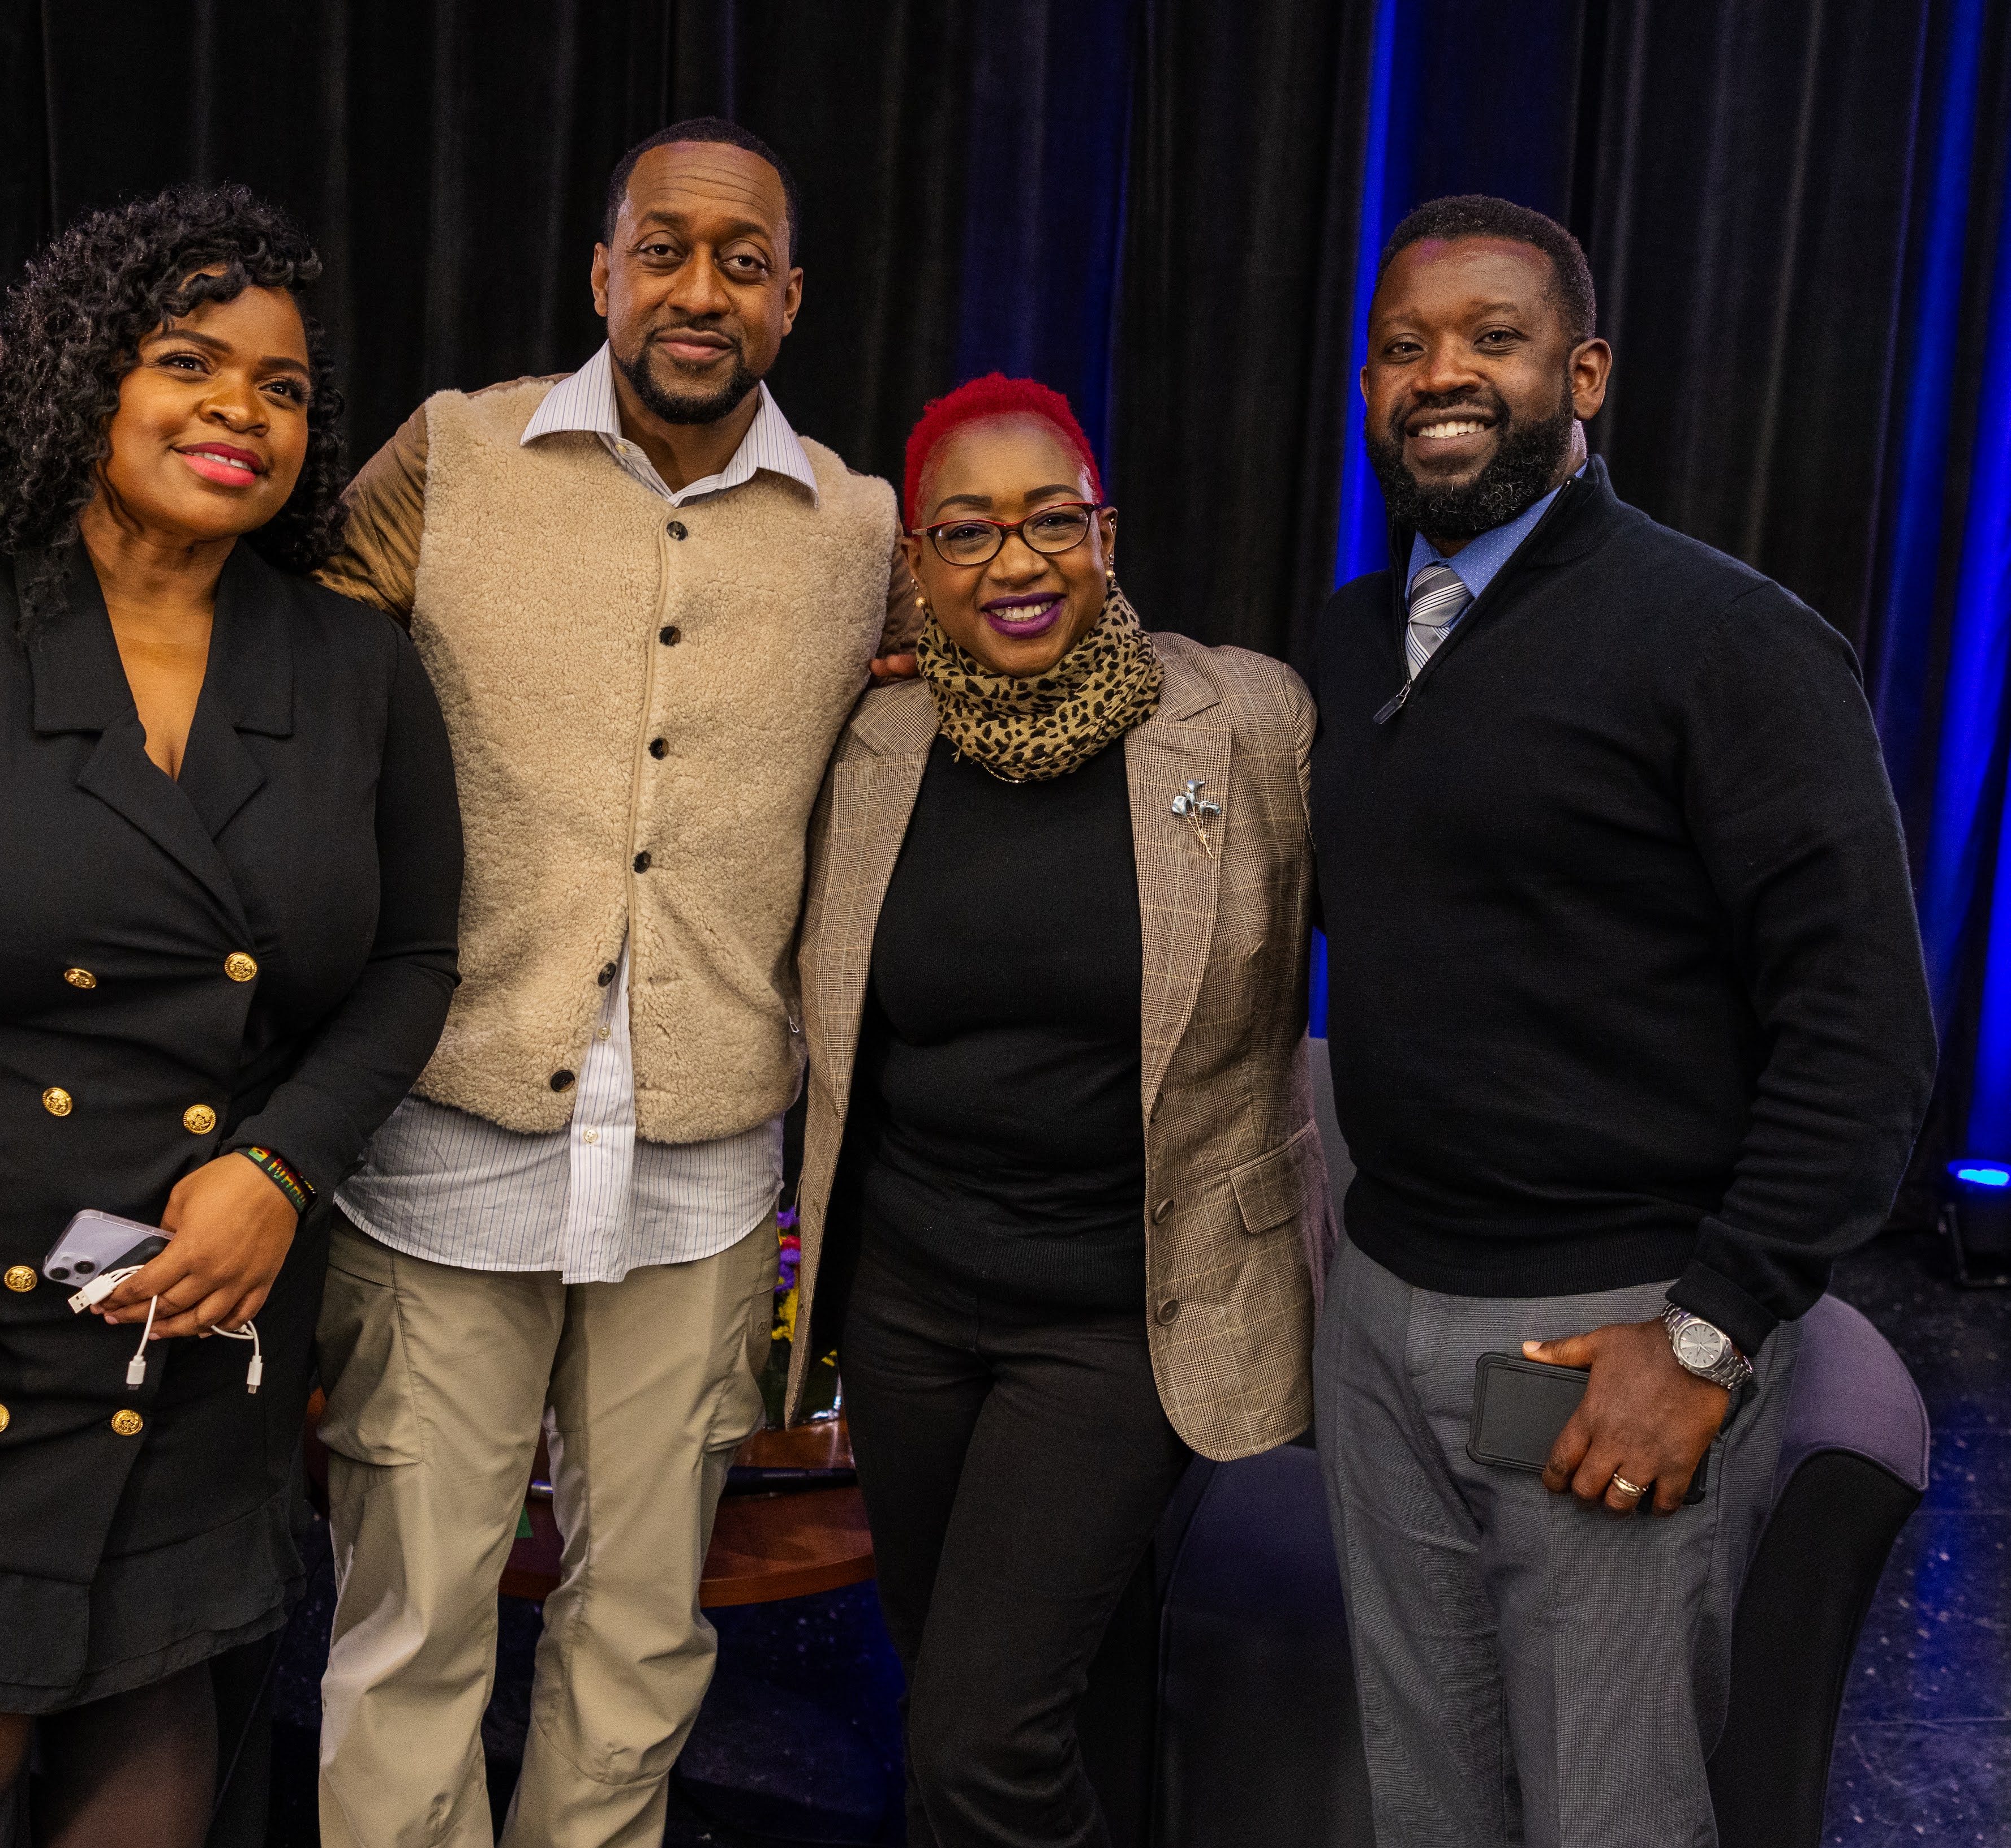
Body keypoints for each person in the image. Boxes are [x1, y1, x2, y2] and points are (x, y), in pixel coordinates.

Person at [0, 118, 901, 1848]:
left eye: (742, 259)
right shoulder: (452, 457)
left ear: (791, 297)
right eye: (661, 249)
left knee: (642, 1625)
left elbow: (994, 629)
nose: (699, 287)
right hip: (440, 1156)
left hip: (692, 1169)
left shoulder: (859, 529)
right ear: (600, 272)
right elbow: (238, 583)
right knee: (407, 1624)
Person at [0, 182, 461, 1848]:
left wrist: (282, 1169)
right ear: (84, 379)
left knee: (144, 1801)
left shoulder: (356, 670)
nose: (240, 411)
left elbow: (417, 962)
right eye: (191, 363)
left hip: (194, 1319)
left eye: (281, 388)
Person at [1303, 194, 1937, 1847]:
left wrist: (1709, 1336)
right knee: (1426, 1805)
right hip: (1378, 1319)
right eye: (1400, 345)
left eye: (1490, 340)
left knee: (1612, 1814)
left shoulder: (1725, 640)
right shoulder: (1354, 640)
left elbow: (1863, 1036)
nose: (1439, 374)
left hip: (1615, 1336)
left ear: (1579, 374)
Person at [792, 374, 1327, 1846]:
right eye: (965, 531)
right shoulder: (866, 748)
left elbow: (1424, 927)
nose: (1013, 562)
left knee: (977, 1742)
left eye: (1049, 522)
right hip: (903, 1313)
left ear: (1107, 533)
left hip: (1112, 1316)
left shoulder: (1249, 726)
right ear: (914, 566)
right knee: (998, 1703)